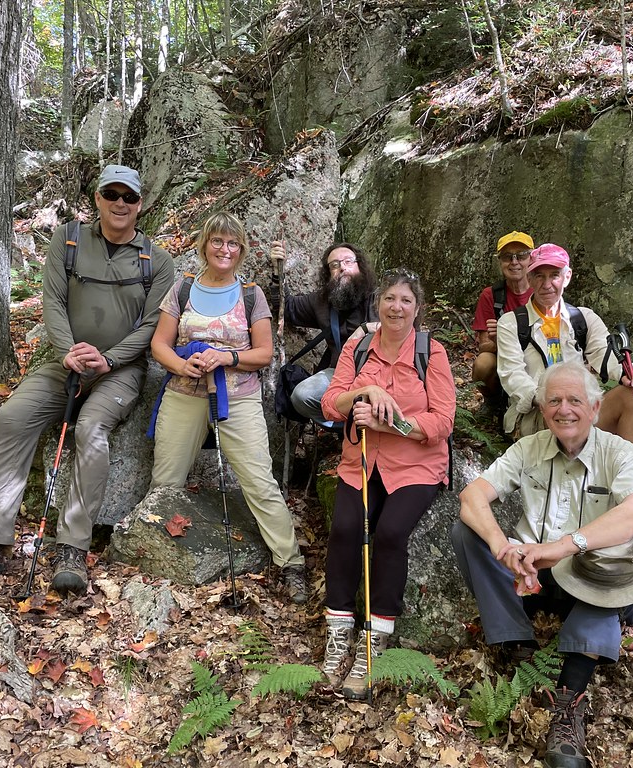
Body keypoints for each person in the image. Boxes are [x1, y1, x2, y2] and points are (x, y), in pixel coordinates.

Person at [0, 164, 175, 594]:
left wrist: (109, 358)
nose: (120, 203)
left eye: (129, 197)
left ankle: (72, 548)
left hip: (121, 372)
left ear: (141, 205)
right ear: (98, 199)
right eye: (112, 194)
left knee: (91, 429)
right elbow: (54, 302)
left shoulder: (157, 261)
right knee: (12, 417)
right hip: (63, 362)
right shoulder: (67, 241)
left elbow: (153, 325)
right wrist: (70, 351)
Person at [452, 361, 633, 768]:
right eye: (554, 401)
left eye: (575, 400)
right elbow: (471, 497)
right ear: (543, 409)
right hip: (536, 578)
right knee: (468, 533)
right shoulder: (528, 448)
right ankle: (519, 645)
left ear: (596, 408)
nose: (564, 409)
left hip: (600, 577)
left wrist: (565, 546)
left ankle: (568, 706)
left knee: (606, 567)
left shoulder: (618, 453)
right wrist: (502, 547)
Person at [147, 211, 308, 605]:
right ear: (204, 245)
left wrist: (226, 358)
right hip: (185, 392)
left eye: (232, 243)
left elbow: (264, 353)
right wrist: (182, 365)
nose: (225, 249)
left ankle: (290, 562)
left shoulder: (250, 295)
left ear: (241, 250)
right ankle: (155, 555)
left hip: (237, 397)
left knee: (259, 482)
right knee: (165, 480)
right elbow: (159, 344)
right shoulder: (182, 289)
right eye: (217, 241)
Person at [318, 269, 456, 700]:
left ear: (417, 309)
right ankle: (339, 633)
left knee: (391, 533)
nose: (397, 307)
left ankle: (374, 639)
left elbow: (444, 421)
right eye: (390, 299)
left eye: (406, 301)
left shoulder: (431, 353)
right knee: (344, 530)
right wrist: (363, 394)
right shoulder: (359, 347)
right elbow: (330, 401)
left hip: (416, 464)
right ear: (379, 303)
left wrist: (394, 421)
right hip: (362, 460)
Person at [496, 243, 633, 448]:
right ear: (529, 278)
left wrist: (631, 372)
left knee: (632, 393)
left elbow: (606, 356)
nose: (547, 284)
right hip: (537, 416)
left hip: (582, 410)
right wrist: (550, 398)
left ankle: (631, 474)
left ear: (567, 277)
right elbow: (512, 375)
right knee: (561, 409)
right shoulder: (511, 323)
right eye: (539, 276)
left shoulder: (583, 318)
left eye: (554, 275)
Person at [271, 241, 377, 427]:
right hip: (340, 373)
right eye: (334, 265)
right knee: (301, 395)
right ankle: (346, 426)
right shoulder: (322, 301)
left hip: (381, 373)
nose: (342, 268)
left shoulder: (379, 297)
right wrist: (277, 271)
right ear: (328, 274)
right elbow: (286, 308)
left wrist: (365, 328)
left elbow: (401, 327)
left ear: (360, 265)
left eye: (348, 261)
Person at [471, 231, 537, 414]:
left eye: (521, 255)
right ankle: (493, 403)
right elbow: (483, 347)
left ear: (531, 259)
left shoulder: (542, 292)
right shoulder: (491, 295)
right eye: (507, 257)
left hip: (538, 355)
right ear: (500, 262)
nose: (514, 262)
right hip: (502, 357)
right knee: (483, 364)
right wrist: (497, 341)